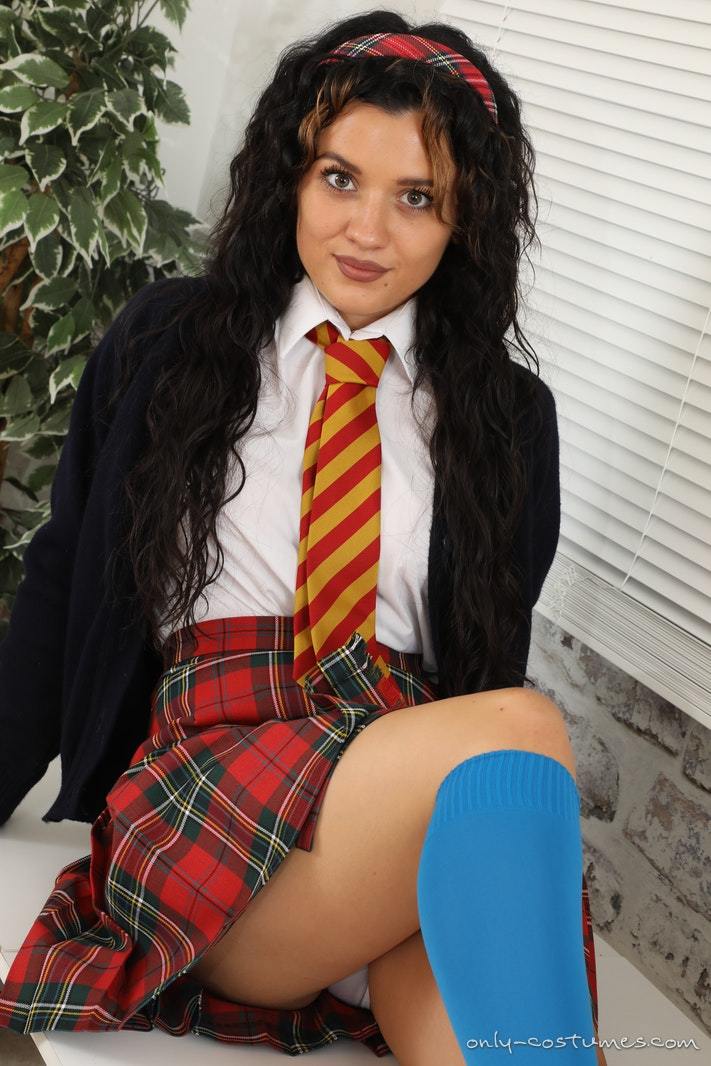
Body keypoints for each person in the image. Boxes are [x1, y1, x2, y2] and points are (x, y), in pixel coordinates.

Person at [0, 9, 605, 1064]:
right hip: (210, 796)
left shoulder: (507, 418)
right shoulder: (170, 341)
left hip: (387, 807)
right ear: (289, 176)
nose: (366, 230)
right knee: (519, 729)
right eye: (338, 179)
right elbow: (62, 582)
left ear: (463, 220)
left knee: (516, 1043)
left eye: (415, 197)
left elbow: (479, 655)